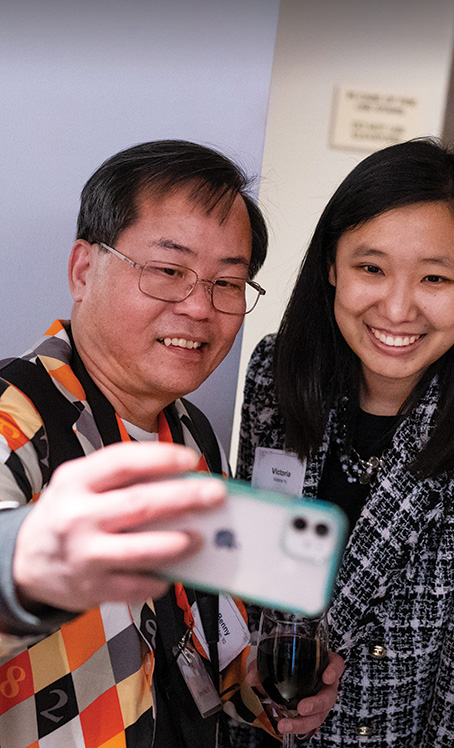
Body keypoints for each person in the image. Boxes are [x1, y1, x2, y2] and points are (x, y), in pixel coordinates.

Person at [231, 137, 454, 748]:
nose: (397, 308)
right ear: (331, 267)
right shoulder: (277, 373)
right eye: (371, 268)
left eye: (435, 278)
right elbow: (253, 594)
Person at [0, 140, 343, 748]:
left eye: (228, 282)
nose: (200, 308)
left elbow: (194, 631)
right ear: (84, 269)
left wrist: (257, 688)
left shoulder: (189, 431)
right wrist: (26, 568)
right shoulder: (15, 421)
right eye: (168, 271)